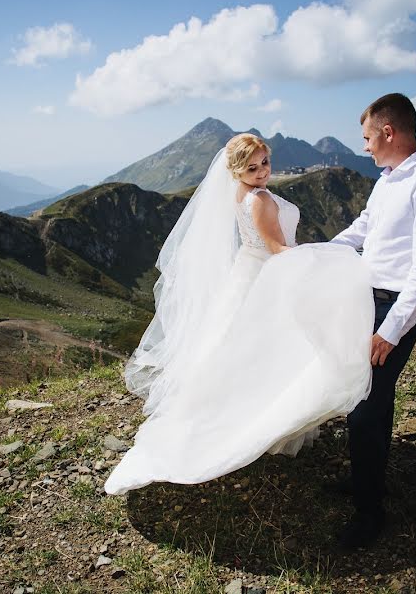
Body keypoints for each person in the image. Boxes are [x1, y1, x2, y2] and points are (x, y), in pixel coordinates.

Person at [105, 133, 375, 495]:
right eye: (253, 167)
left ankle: (232, 413)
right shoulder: (261, 199)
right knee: (264, 351)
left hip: (247, 273)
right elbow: (278, 249)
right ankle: (251, 420)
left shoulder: (241, 193)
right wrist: (328, 258)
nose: (263, 171)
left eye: (265, 162)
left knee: (240, 351)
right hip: (266, 277)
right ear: (237, 170)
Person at [330, 93, 416, 548]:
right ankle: (365, 482)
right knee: (362, 396)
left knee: (368, 404)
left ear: (388, 132)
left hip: (395, 308)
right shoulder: (388, 179)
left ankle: (370, 513)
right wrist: (314, 254)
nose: (365, 147)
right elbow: (363, 230)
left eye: (368, 137)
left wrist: (391, 330)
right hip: (367, 298)